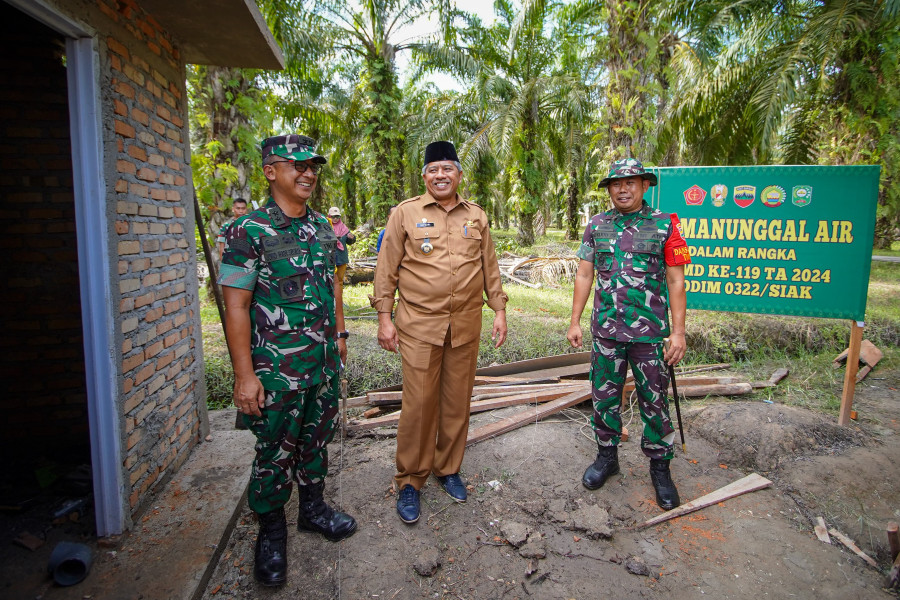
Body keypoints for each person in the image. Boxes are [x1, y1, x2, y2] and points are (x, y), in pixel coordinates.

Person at [218, 134, 357, 587]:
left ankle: (312, 510)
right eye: (296, 165)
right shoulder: (249, 230)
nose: (308, 173)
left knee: (315, 441)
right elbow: (235, 305)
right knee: (274, 450)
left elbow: (334, 285)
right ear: (269, 171)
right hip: (277, 371)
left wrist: (338, 334)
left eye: (313, 165)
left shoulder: (321, 227)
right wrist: (245, 377)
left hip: (321, 363)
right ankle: (272, 532)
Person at [371, 141, 508, 524]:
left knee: (456, 401)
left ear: (459, 174)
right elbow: (387, 270)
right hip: (418, 326)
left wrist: (498, 309)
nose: (441, 175)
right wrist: (385, 317)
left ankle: (447, 469)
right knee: (418, 406)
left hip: (465, 325)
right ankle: (410, 481)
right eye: (433, 170)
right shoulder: (405, 214)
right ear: (425, 175)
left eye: (448, 168)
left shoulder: (476, 216)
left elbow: (490, 267)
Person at [566, 157, 690, 511]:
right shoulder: (597, 225)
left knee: (655, 401)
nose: (622, 189)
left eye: (630, 182)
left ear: (645, 185)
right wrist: (575, 321)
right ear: (609, 189)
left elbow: (676, 280)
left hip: (650, 335)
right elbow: (585, 275)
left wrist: (678, 333)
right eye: (616, 184)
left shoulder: (665, 225)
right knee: (604, 396)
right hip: (606, 331)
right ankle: (607, 457)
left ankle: (660, 467)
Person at [327, 206, 355, 293]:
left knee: (339, 281)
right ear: (329, 216)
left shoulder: (343, 228)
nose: (335, 219)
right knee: (330, 280)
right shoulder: (325, 227)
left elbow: (350, 241)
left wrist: (351, 238)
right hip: (329, 258)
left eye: (337, 217)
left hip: (341, 258)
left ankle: (339, 300)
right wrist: (333, 237)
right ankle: (331, 300)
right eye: (333, 217)